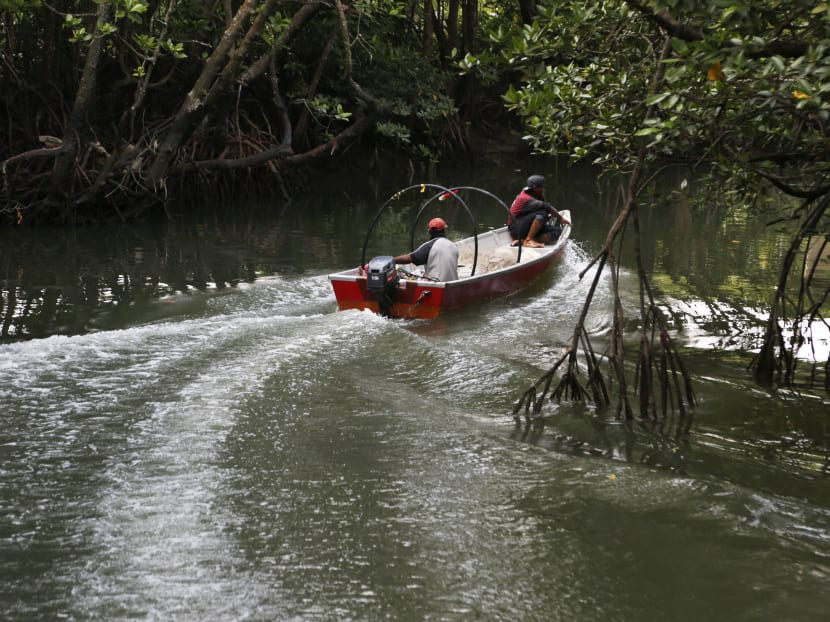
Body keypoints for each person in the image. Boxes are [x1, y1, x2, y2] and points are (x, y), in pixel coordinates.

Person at [508, 174, 570, 248]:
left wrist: (540, 193)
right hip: (516, 228)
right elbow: (547, 207)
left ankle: (523, 240)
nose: (543, 189)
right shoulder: (526, 198)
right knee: (542, 213)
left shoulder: (531, 193)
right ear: (535, 188)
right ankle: (528, 240)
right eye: (541, 187)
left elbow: (543, 203)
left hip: (525, 225)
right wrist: (560, 218)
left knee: (556, 232)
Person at [393, 217, 459, 281]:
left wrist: (392, 260)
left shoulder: (430, 246)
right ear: (444, 230)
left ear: (429, 231)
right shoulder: (454, 246)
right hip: (454, 282)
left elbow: (410, 258)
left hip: (436, 284)